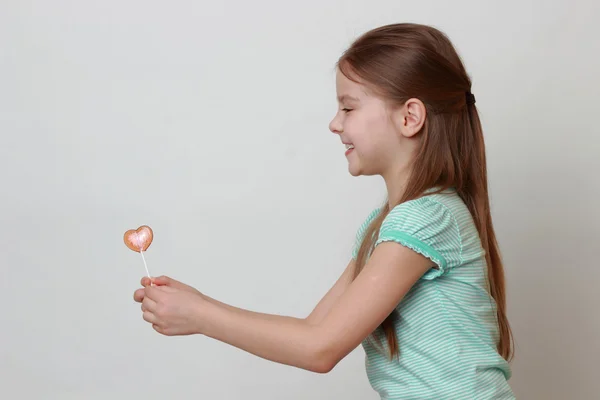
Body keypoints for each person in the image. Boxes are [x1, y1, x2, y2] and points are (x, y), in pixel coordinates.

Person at [133, 22, 515, 399]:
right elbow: (315, 329)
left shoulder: (426, 219)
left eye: (348, 107)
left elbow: (320, 348)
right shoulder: (389, 224)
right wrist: (197, 305)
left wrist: (200, 315)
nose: (335, 124)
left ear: (409, 117)